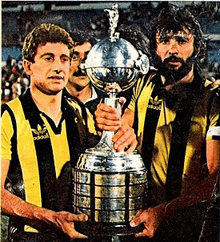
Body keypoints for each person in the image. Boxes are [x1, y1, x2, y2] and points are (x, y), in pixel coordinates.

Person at [95, 5, 220, 242]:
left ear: (197, 47)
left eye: (182, 40)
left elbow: (215, 177)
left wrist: (164, 211)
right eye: (164, 40)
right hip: (139, 218)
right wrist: (109, 121)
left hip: (187, 221)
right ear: (155, 46)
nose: (172, 48)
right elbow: (123, 125)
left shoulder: (212, 99)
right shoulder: (143, 85)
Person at [1, 23, 95, 242]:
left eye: (64, 59)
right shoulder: (10, 117)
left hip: (80, 234)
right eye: (48, 58)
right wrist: (48, 217)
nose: (58, 67)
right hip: (31, 236)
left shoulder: (80, 114)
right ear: (27, 65)